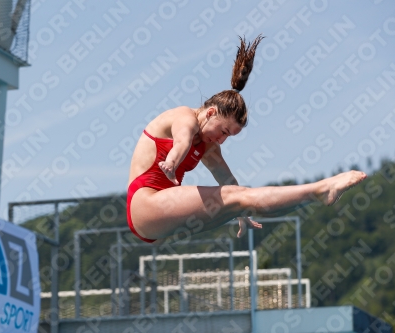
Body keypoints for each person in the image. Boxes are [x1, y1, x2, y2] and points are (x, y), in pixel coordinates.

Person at [126, 35, 366, 244]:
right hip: (145, 204)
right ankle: (321, 189)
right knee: (239, 197)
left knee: (241, 198)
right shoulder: (184, 118)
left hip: (158, 216)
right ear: (210, 113)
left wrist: (240, 214)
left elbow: (228, 181)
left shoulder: (208, 144)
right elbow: (181, 142)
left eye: (228, 137)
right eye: (223, 131)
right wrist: (171, 164)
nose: (221, 140)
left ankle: (315, 195)